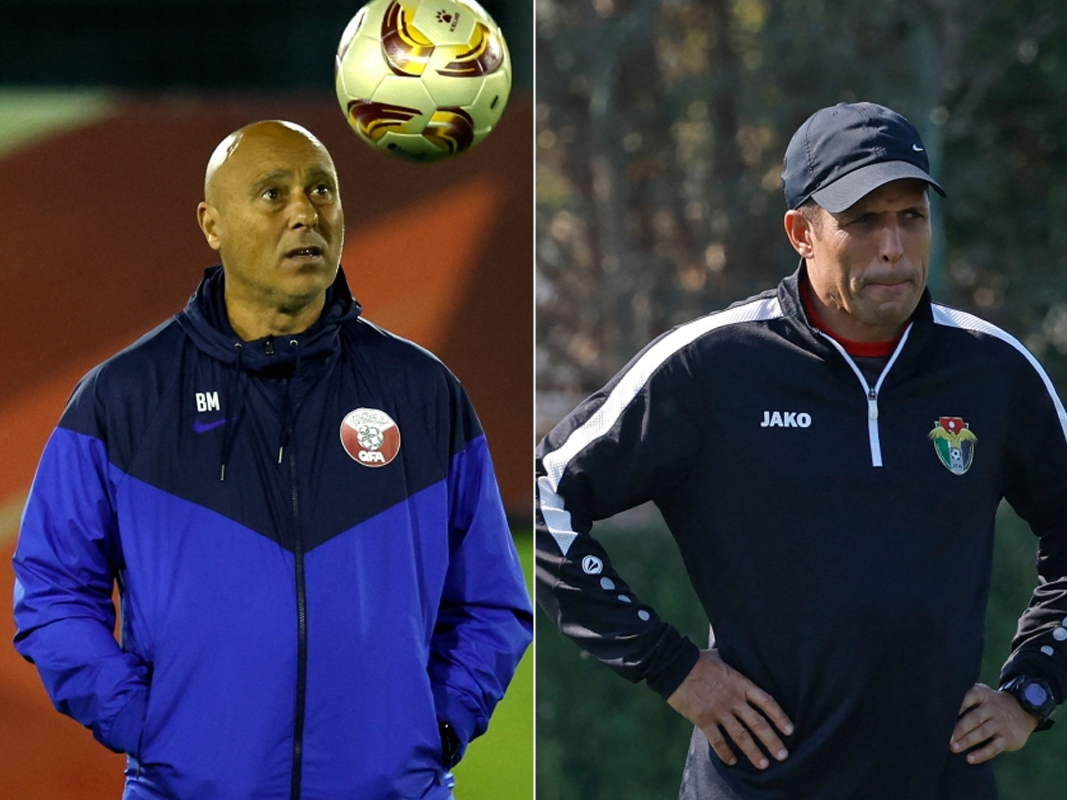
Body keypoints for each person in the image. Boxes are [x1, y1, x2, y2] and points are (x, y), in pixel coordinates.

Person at [535, 102, 1067, 799]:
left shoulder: (991, 369)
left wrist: (1031, 687)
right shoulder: (713, 366)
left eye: (910, 216)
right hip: (756, 788)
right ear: (801, 232)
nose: (893, 247)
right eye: (863, 220)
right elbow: (546, 492)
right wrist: (674, 668)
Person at [13, 120, 532, 800]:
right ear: (211, 223)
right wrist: (146, 722)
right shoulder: (124, 397)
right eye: (271, 192)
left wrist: (433, 725)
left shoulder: (422, 391)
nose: (304, 212)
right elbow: (52, 593)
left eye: (322, 190)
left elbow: (492, 603)